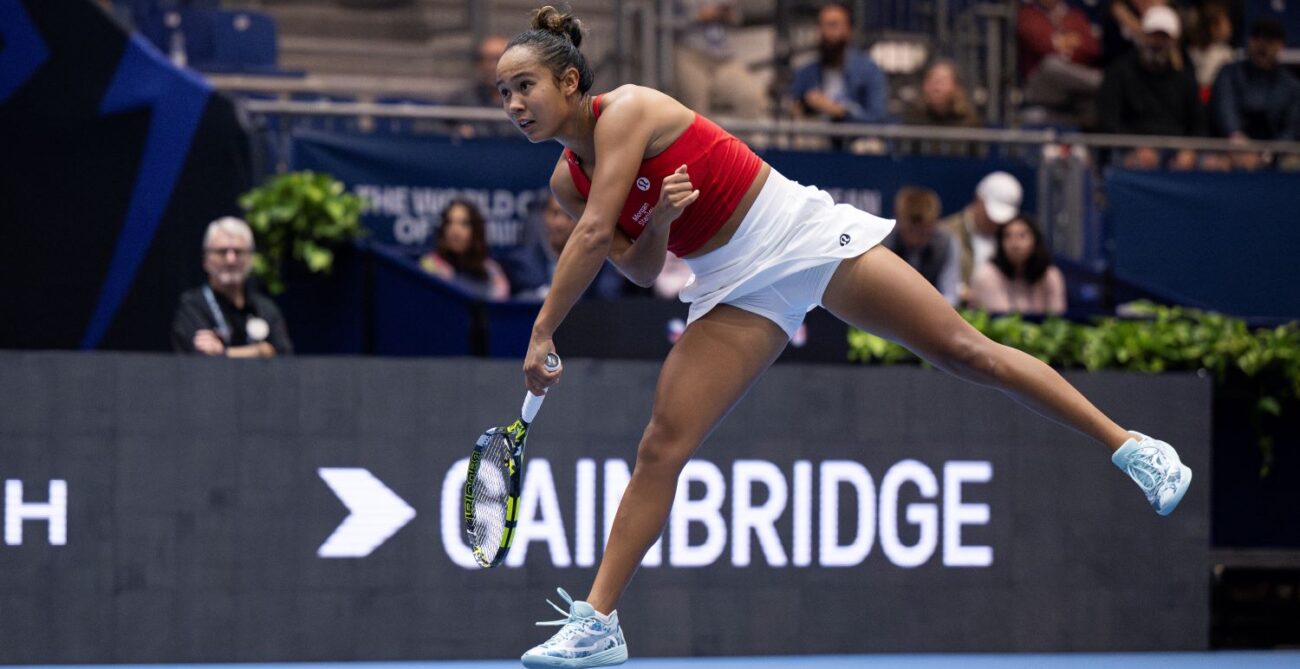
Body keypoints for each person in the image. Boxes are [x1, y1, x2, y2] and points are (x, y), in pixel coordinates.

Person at [497, 7, 1192, 667]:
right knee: (660, 446)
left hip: (800, 234)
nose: (514, 103)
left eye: (524, 85)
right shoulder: (568, 178)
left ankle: (1132, 446)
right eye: (503, 93)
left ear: (568, 80)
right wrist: (656, 221)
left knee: (963, 350)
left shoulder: (631, 110)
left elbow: (591, 236)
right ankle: (599, 622)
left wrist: (540, 333)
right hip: (730, 282)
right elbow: (639, 263)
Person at [1097, 5, 1206, 170]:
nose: (1157, 43)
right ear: (1143, 35)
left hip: (1175, 149)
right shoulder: (1119, 71)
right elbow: (1108, 121)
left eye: (1164, 37)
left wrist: (1189, 151)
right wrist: (1135, 147)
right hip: (1129, 148)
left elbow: (1199, 123)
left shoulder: (1185, 77)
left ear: (1173, 41)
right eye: (1153, 35)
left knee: (1212, 164)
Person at [171, 217, 293, 357]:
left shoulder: (265, 309)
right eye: (222, 252)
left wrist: (223, 353)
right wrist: (260, 351)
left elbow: (284, 358)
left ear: (251, 258)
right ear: (205, 259)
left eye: (238, 251)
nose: (231, 260)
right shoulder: (192, 306)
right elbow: (199, 358)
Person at [1210, 18, 1300, 169]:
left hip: (1276, 156)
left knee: (1293, 164)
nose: (1262, 45)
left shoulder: (1291, 86)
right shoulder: (1229, 74)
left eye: (1269, 40)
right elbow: (1226, 111)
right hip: (1231, 149)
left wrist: (1266, 155)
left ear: (1280, 46)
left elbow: (1291, 130)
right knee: (1213, 163)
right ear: (1249, 41)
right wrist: (1238, 142)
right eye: (1257, 38)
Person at [788, 3, 889, 128]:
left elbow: (877, 117)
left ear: (849, 31)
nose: (826, 32)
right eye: (821, 26)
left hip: (856, 139)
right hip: (816, 140)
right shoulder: (805, 73)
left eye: (833, 25)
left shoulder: (869, 71)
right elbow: (791, 112)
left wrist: (840, 112)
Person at [670, 0, 768, 119]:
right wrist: (697, 16)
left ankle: (744, 138)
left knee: (751, 96)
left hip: (723, 57)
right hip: (689, 54)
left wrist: (728, 13)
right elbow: (663, 24)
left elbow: (737, 20)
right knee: (696, 112)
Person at [939, 171, 1023, 304]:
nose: (995, 222)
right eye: (990, 215)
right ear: (978, 200)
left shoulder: (1011, 237)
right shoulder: (946, 233)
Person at [523, 195, 627, 300]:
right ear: (544, 216)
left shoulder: (601, 264)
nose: (559, 223)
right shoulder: (524, 262)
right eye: (554, 213)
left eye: (568, 216)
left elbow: (609, 297)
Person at [1017, 0, 1103, 126]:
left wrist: (1060, 43)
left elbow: (1093, 48)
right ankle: (1104, 82)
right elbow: (1043, 45)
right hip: (1040, 86)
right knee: (1052, 64)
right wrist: (1073, 43)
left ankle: (1103, 82)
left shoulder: (1074, 15)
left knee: (1096, 106)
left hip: (1074, 85)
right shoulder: (1028, 14)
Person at [967, 216, 1067, 315]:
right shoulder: (986, 275)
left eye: (1022, 236)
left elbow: (1057, 320)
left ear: (1035, 241)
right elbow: (1005, 322)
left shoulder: (1050, 275)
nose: (1015, 244)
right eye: (1008, 236)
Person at [419, 199, 511, 301]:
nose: (455, 231)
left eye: (464, 224)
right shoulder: (429, 265)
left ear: (476, 231)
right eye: (449, 223)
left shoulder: (492, 270)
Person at [883, 186, 961, 306]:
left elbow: (950, 295)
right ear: (899, 219)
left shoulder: (946, 242)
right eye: (911, 230)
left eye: (924, 231)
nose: (916, 237)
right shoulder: (884, 242)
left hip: (932, 312)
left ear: (935, 222)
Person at [901, 59, 981, 127]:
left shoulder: (969, 123)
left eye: (942, 81)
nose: (936, 88)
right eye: (931, 81)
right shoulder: (912, 120)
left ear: (956, 87)